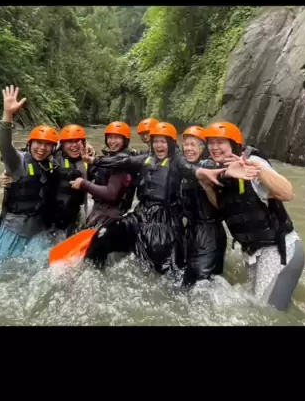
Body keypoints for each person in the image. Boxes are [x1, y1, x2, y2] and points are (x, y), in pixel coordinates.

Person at [84, 121, 232, 274]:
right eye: (155, 141)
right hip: (140, 215)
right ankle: (93, 274)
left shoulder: (177, 161)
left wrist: (202, 172)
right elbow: (124, 161)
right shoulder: (147, 158)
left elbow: (189, 167)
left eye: (163, 142)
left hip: (164, 222)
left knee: (163, 267)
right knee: (103, 235)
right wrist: (95, 160)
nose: (159, 145)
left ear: (171, 144)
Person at [205, 121, 305, 311]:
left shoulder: (253, 162)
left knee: (267, 313)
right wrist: (207, 184)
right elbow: (222, 207)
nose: (215, 147)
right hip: (253, 252)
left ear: (233, 144)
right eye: (211, 142)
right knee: (258, 306)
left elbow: (288, 193)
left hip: (279, 250)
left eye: (220, 142)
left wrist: (257, 170)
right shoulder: (219, 170)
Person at [0, 85, 58, 265]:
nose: (42, 148)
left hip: (39, 229)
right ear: (30, 144)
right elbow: (5, 146)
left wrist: (86, 148)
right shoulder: (17, 162)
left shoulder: (51, 163)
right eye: (38, 143)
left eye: (48, 145)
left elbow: (68, 148)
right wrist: (8, 114)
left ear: (53, 148)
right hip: (13, 229)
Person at [180, 126, 227, 287]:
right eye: (186, 144)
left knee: (200, 283)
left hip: (209, 231)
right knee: (186, 278)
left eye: (193, 145)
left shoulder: (211, 166)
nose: (188, 149)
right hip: (192, 230)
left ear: (203, 148)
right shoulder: (185, 167)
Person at [70, 121, 136, 229]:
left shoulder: (123, 162)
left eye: (117, 138)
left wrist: (83, 184)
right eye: (110, 137)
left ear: (125, 140)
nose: (112, 141)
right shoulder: (110, 158)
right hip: (101, 211)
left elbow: (111, 194)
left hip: (112, 217)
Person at [49, 125, 89, 239]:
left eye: (77, 141)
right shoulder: (53, 158)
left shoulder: (87, 159)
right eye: (69, 142)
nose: (74, 145)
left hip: (75, 213)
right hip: (54, 215)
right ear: (62, 144)